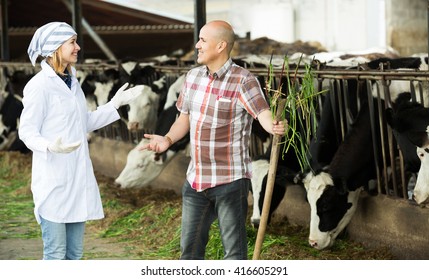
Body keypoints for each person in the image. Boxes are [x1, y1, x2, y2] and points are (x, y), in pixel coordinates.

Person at [141, 20, 286, 260]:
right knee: (189, 251)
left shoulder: (244, 80)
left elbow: (262, 113)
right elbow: (183, 118)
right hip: (195, 180)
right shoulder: (192, 77)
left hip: (229, 181)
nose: (197, 45)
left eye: (202, 40)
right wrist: (167, 139)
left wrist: (273, 125)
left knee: (234, 253)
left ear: (221, 46)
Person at [18, 22, 143, 260]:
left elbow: (83, 122)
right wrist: (48, 146)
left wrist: (114, 105)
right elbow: (27, 131)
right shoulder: (39, 86)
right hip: (53, 181)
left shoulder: (72, 80)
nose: (78, 47)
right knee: (55, 254)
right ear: (55, 48)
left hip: (77, 180)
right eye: (72, 42)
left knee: (74, 255)